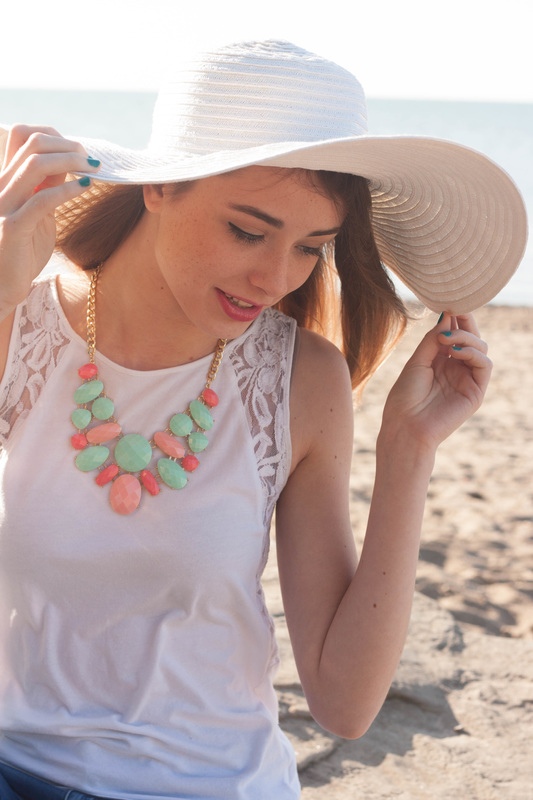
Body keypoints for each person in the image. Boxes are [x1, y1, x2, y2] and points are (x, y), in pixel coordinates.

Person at [0, 40, 527, 800]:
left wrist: (409, 448)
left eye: (311, 247)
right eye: (248, 231)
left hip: (205, 784)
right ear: (160, 186)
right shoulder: (21, 319)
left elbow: (343, 705)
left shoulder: (300, 379)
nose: (275, 278)